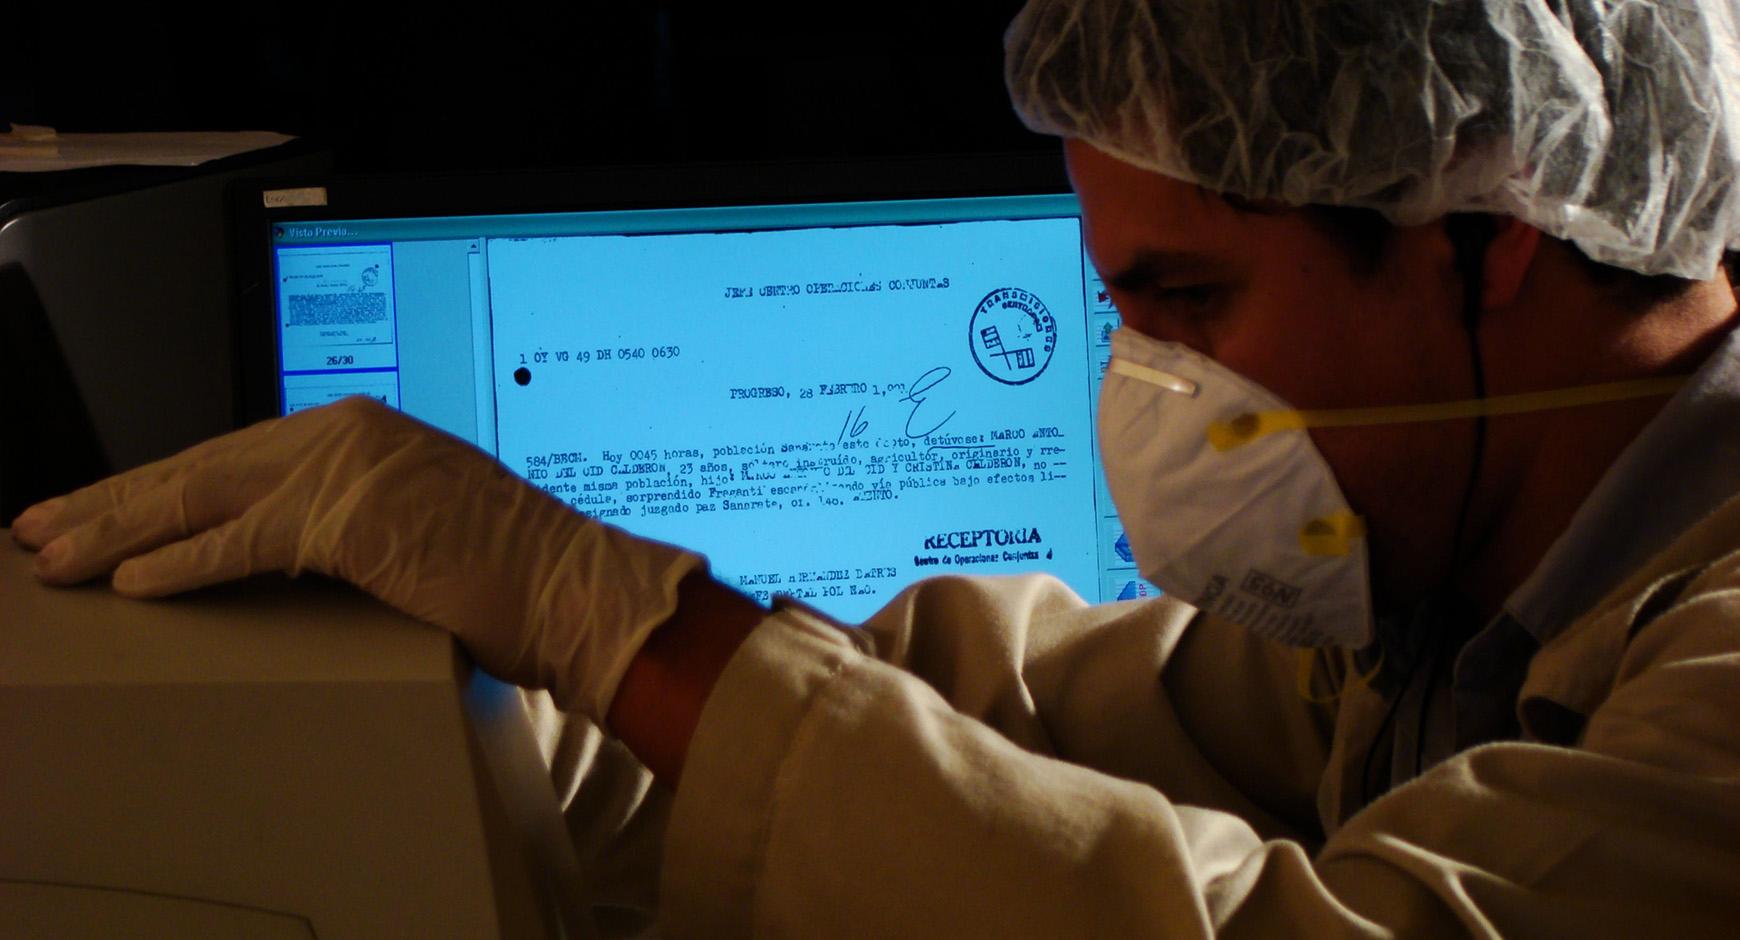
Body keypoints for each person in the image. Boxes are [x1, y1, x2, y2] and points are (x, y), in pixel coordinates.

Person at [13, 0, 1740, 934]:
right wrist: (515, 689)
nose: (1150, 384)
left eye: (1191, 297)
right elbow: (1037, 709)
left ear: (1494, 231)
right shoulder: (1461, 589)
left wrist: (622, 629)